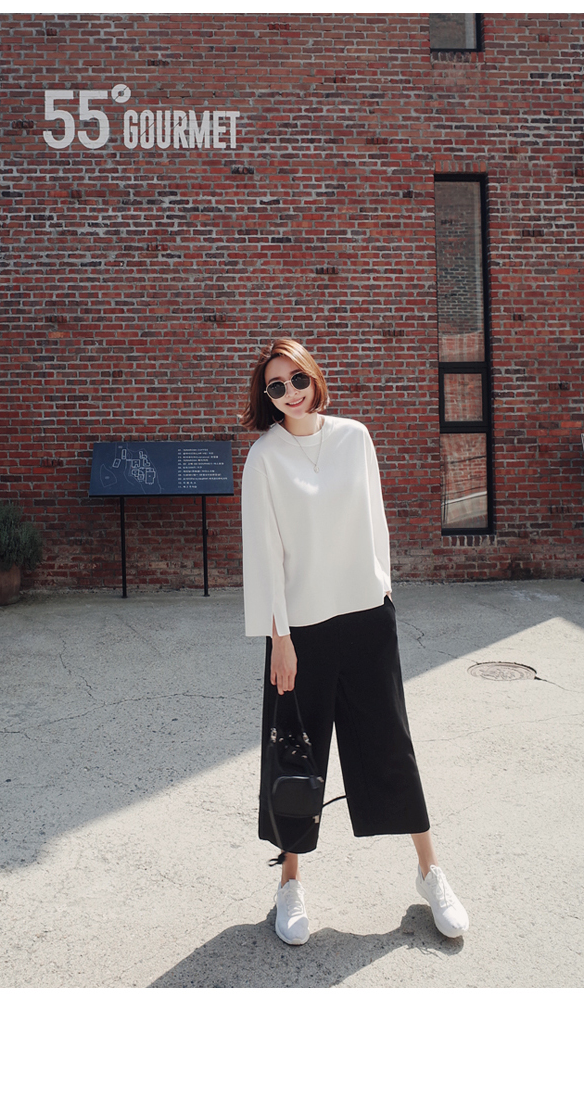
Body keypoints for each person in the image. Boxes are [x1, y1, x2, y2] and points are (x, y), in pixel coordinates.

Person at [240, 338, 469, 946]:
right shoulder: (264, 457)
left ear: (314, 376)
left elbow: (375, 519)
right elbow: (264, 554)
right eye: (276, 387)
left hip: (367, 618)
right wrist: (279, 638)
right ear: (267, 397)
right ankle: (289, 883)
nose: (290, 393)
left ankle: (430, 871)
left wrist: (382, 589)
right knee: (297, 755)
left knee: (391, 744)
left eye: (297, 378)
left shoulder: (354, 437)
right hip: (301, 632)